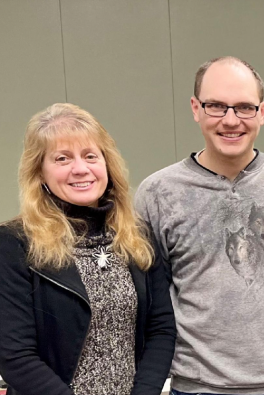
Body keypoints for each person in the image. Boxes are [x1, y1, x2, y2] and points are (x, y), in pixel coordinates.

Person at [135, 56, 264, 395]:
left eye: (244, 107)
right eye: (216, 106)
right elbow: (153, 296)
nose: (230, 120)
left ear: (262, 112)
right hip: (199, 387)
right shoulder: (158, 194)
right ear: (195, 108)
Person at [0, 103, 176, 395]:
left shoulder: (137, 236)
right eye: (62, 158)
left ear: (107, 164)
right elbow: (14, 354)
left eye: (90, 156)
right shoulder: (15, 243)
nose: (80, 169)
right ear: (40, 172)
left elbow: (161, 329)